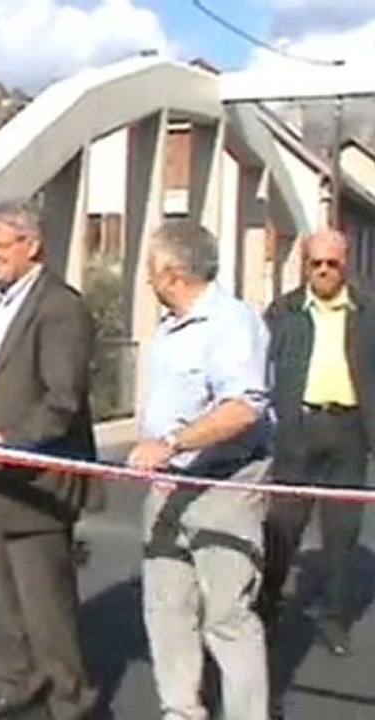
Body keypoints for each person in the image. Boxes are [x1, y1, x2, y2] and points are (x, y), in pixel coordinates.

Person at [128, 219, 271, 720]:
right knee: (167, 605)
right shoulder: (169, 328)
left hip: (225, 485)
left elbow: (242, 407)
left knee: (227, 614)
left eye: (150, 268)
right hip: (169, 485)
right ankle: (181, 710)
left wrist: (170, 443)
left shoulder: (233, 323)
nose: (146, 278)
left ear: (171, 273)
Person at [0, 201, 97, 720]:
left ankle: (71, 703)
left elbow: (63, 399)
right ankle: (17, 687)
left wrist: (14, 440)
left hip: (36, 477)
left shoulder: (59, 306)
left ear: (32, 245)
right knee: (1, 599)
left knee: (46, 606)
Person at [261, 229, 375, 661]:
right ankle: (267, 605)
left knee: (342, 535)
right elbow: (259, 366)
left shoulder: (367, 313)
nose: (324, 271)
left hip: (349, 433)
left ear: (346, 266)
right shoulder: (284, 312)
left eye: (333, 264)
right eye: (316, 263)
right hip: (297, 431)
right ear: (304, 265)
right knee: (282, 529)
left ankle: (335, 619)